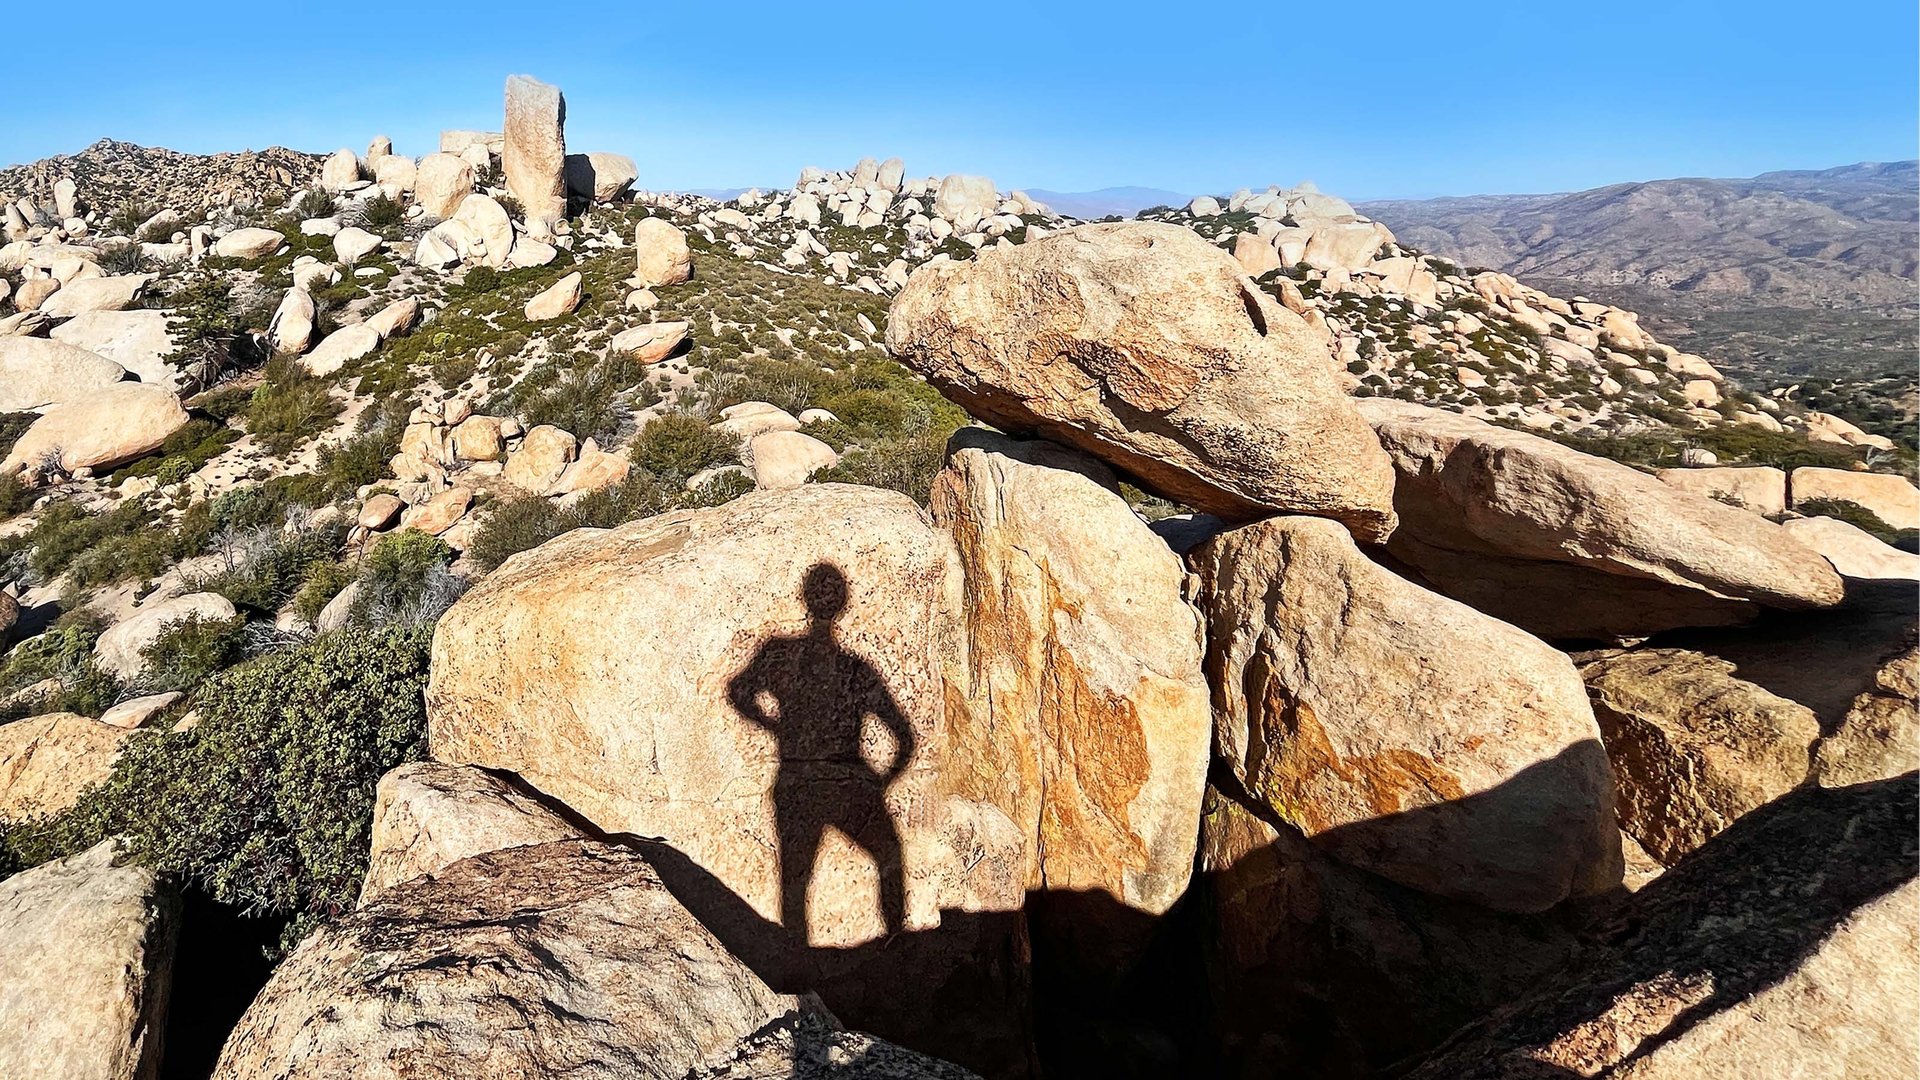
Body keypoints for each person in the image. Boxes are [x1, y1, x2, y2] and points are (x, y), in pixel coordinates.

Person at [727, 563, 915, 938]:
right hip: (846, 780)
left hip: (798, 778)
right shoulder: (855, 670)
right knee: (888, 856)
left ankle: (798, 967)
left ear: (805, 599)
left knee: (795, 880)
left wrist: (774, 725)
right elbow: (904, 738)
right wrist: (881, 782)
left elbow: (738, 691)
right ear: (842, 603)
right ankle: (895, 942)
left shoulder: (780, 653)